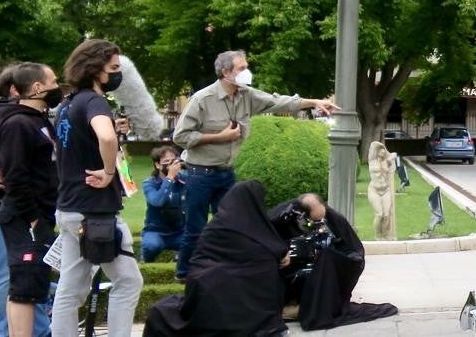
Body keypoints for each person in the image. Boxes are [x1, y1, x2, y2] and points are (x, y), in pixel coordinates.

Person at [171, 50, 339, 280]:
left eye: (245, 66)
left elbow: (279, 101)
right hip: (200, 173)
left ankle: (224, 272)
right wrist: (218, 137)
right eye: (241, 68)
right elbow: (180, 136)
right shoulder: (202, 99)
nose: (246, 72)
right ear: (225, 72)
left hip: (226, 173)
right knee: (195, 228)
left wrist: (314, 102)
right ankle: (184, 275)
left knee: (234, 226)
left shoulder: (246, 95)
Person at [51, 39, 143, 337]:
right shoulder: (94, 101)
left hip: (70, 205)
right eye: (113, 68)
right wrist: (106, 171)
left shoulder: (68, 104)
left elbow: (89, 141)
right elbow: (104, 137)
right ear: (95, 69)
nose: (117, 74)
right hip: (95, 211)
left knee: (70, 286)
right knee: (128, 281)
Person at [144, 180, 291, 337]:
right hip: (253, 312)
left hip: (207, 294)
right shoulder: (261, 233)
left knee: (162, 311)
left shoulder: (216, 226)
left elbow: (198, 258)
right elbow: (276, 252)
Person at [0, 63, 61, 337]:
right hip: (24, 217)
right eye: (53, 81)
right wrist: (33, 218)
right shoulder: (17, 124)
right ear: (37, 88)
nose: (58, 87)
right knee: (23, 284)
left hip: (41, 214)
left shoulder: (40, 121)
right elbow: (15, 175)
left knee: (34, 282)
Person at [269, 193, 396, 330]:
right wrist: (281, 252)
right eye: (316, 219)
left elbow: (352, 248)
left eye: (322, 217)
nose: (321, 220)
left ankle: (312, 303)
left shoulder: (332, 216)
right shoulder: (280, 216)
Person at [141, 145, 185, 262]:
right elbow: (158, 201)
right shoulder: (149, 183)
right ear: (157, 165)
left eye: (174, 161)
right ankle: (145, 263)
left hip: (180, 231)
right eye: (167, 161)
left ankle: (178, 260)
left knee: (198, 242)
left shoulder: (185, 180)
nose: (171, 165)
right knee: (151, 246)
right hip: (156, 231)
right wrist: (169, 178)